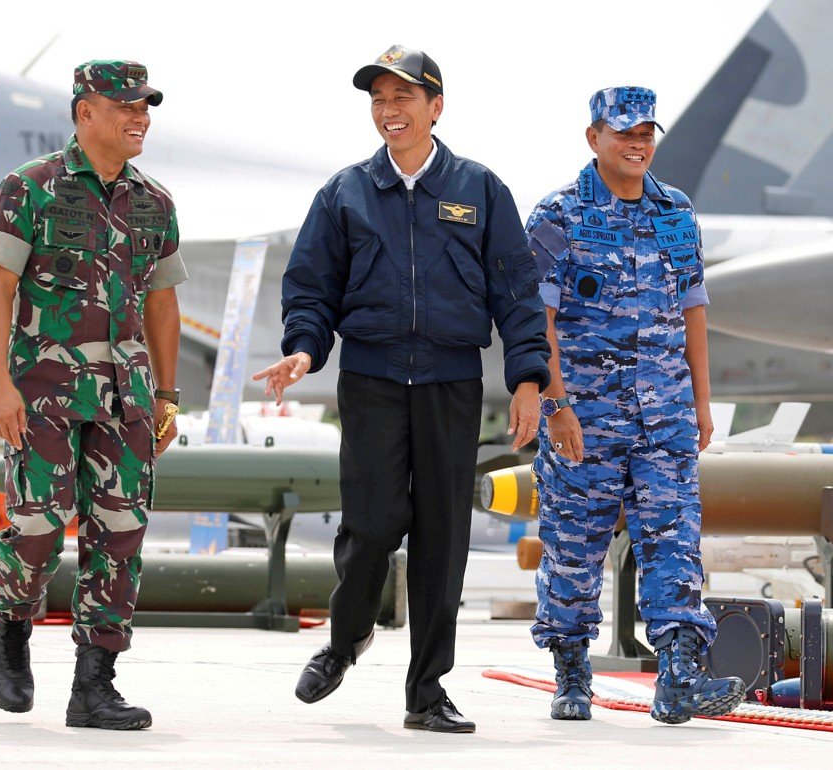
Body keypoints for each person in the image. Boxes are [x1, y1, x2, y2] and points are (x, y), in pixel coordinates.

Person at [253, 44, 549, 734]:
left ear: (435, 107)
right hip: (373, 378)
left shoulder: (480, 190)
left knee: (443, 539)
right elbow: (311, 286)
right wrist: (303, 350)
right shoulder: (345, 193)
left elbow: (518, 292)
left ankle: (427, 693)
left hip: (450, 382)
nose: (390, 112)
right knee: (374, 522)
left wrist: (530, 379)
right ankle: (346, 637)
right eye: (379, 101)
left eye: (403, 99)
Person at [0, 60, 186, 731]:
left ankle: (95, 686)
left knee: (120, 533)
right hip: (41, 391)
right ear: (84, 111)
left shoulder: (155, 202)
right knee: (38, 525)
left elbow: (164, 304)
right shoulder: (28, 189)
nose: (139, 117)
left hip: (126, 398)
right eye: (125, 107)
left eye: (145, 107)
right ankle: (10, 627)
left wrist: (168, 397)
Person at [524, 86, 745, 724]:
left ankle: (678, 676)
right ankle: (571, 670)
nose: (637, 144)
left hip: (665, 412)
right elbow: (539, 325)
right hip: (583, 416)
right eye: (624, 133)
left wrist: (702, 402)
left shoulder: (676, 213)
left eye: (647, 132)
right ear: (594, 138)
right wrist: (556, 403)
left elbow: (694, 309)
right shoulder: (558, 216)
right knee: (573, 547)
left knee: (674, 539)